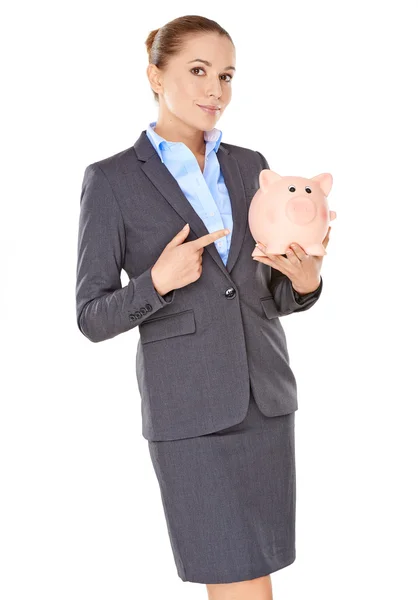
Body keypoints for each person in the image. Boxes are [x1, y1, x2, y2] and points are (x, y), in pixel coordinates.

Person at [75, 14, 329, 600]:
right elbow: (91, 316)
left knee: (253, 576)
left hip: (265, 403)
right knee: (238, 577)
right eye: (198, 71)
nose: (216, 89)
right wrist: (157, 282)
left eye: (227, 75)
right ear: (154, 76)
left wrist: (307, 280)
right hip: (190, 413)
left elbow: (267, 292)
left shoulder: (250, 165)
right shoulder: (111, 180)